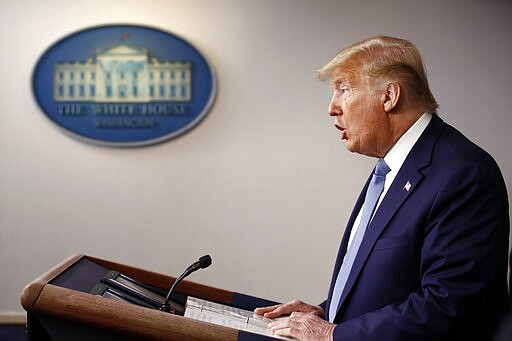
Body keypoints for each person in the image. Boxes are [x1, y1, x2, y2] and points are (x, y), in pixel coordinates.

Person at [254, 36, 510, 341]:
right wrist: (328, 313)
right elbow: (392, 285)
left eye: (344, 90)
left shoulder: (463, 174)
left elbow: (448, 306)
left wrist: (334, 335)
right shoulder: (390, 167)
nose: (332, 108)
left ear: (389, 96)